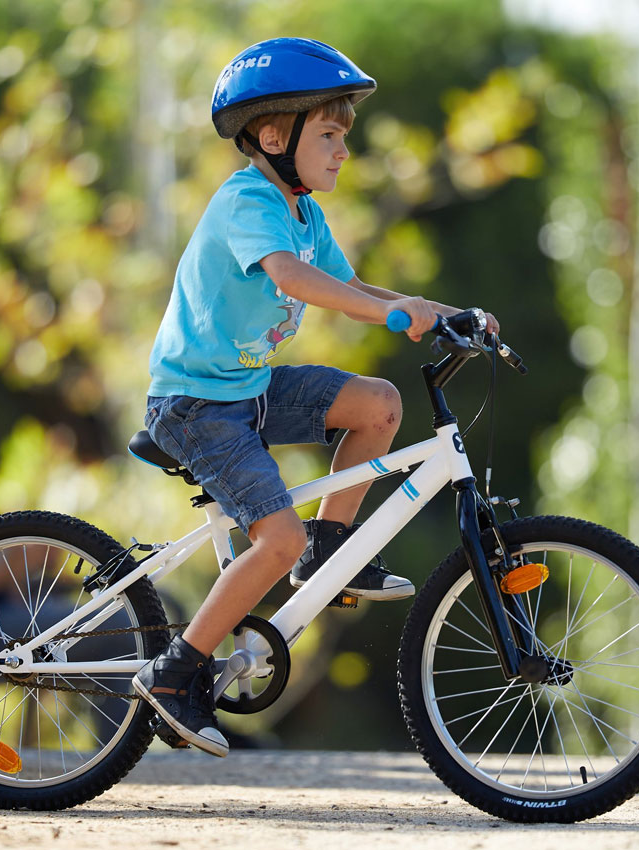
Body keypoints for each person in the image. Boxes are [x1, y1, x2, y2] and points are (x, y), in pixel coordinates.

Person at [132, 38, 500, 757]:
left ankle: (330, 553)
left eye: (342, 137)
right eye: (329, 135)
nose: (341, 151)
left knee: (379, 405)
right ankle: (175, 675)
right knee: (275, 535)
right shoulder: (248, 201)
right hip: (195, 405)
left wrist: (444, 311)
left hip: (251, 390)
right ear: (274, 136)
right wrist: (391, 315)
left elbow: (356, 287)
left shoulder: (306, 216)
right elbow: (295, 282)